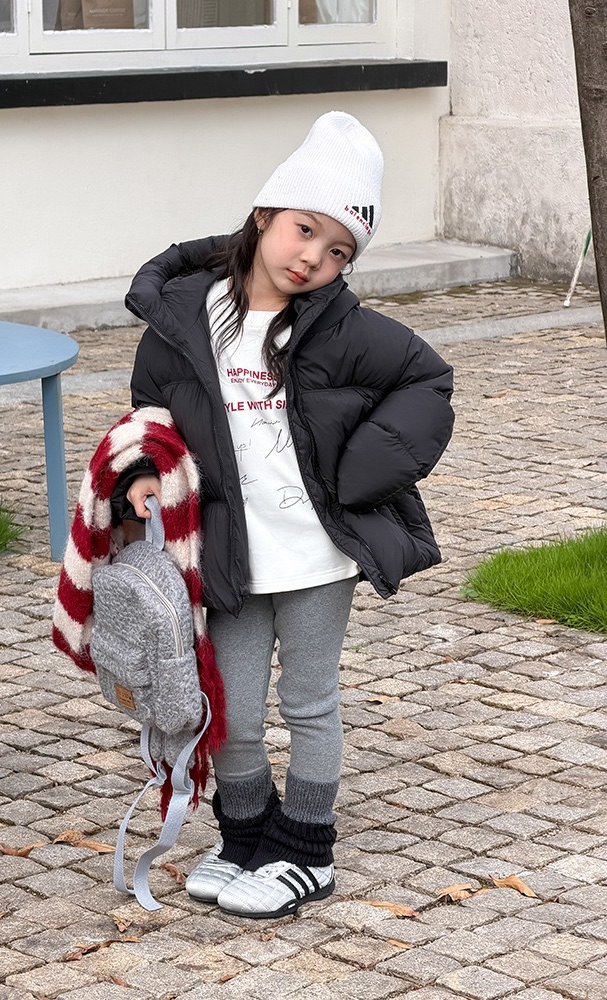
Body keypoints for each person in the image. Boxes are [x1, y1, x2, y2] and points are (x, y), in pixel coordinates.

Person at [120, 111, 454, 919]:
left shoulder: (345, 328)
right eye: (306, 229)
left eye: (339, 250)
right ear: (265, 213)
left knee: (308, 700)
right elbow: (149, 412)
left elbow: (428, 382)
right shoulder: (185, 320)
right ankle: (245, 838)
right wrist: (142, 473)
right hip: (233, 554)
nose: (314, 257)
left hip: (315, 557)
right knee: (230, 711)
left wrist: (357, 471)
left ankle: (306, 850)